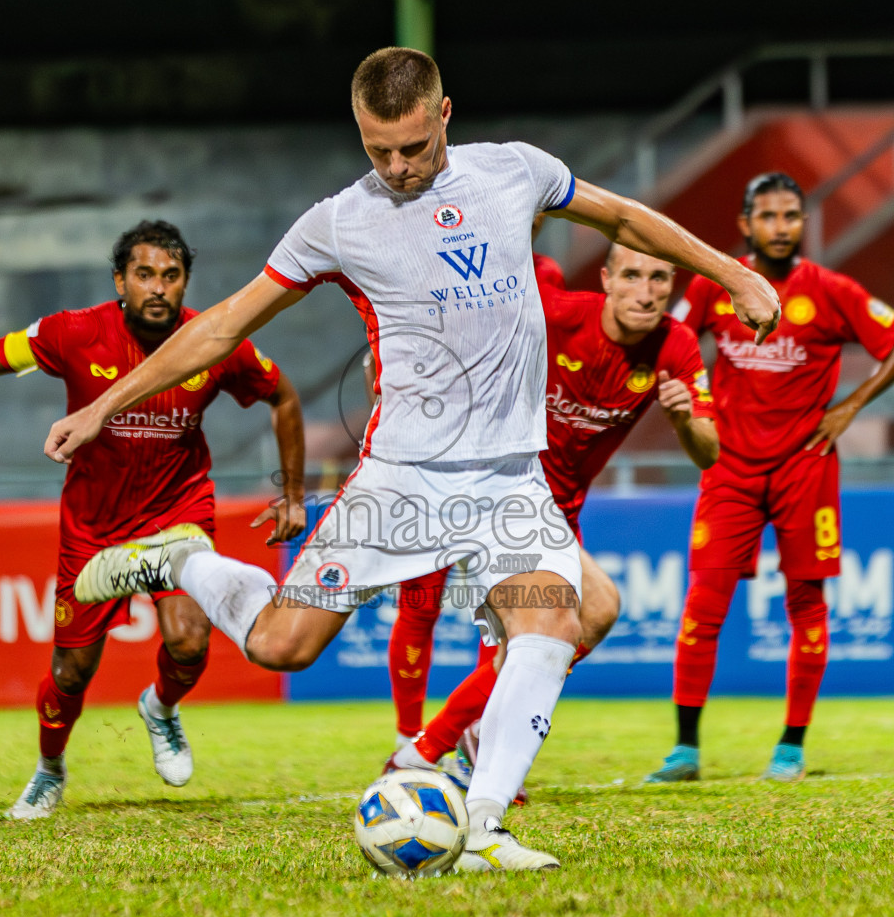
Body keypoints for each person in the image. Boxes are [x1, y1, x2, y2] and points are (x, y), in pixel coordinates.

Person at [46, 48, 779, 870]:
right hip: (401, 479)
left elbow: (623, 220)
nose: (395, 167)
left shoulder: (514, 173)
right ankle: (183, 559)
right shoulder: (338, 221)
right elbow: (222, 325)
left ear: (445, 116)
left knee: (551, 625)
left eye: (413, 148)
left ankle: (485, 825)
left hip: (509, 478)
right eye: (376, 150)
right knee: (282, 644)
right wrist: (107, 403)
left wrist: (728, 274)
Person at [0, 221, 307, 819]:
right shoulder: (73, 333)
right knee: (71, 672)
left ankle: (161, 708)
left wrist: (292, 493)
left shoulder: (213, 339)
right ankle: (50, 768)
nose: (159, 288)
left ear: (185, 283)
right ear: (120, 282)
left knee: (188, 640)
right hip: (95, 528)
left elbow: (283, 396)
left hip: (178, 513)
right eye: (145, 274)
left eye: (172, 276)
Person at [386, 242, 719, 795]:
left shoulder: (677, 346)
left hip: (558, 508)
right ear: (607, 279)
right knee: (592, 607)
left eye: (659, 278)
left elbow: (709, 453)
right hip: (497, 482)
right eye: (633, 275)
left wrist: (685, 419)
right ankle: (424, 747)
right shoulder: (558, 313)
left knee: (534, 638)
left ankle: (456, 747)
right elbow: (472, 329)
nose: (647, 290)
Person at [646, 172, 894, 784]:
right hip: (729, 469)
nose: (780, 227)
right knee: (703, 605)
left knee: (806, 604)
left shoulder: (830, 291)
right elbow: (671, 338)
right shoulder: (718, 285)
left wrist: (850, 406)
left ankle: (791, 746)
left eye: (791, 215)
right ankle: (685, 749)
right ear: (746, 225)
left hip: (805, 467)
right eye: (768, 216)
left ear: (804, 222)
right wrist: (691, 399)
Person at [385, 224, 571, 745]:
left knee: (506, 611)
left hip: (505, 470)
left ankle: (479, 732)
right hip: (431, 461)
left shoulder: (544, 275)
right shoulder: (424, 267)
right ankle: (408, 737)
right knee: (419, 603)